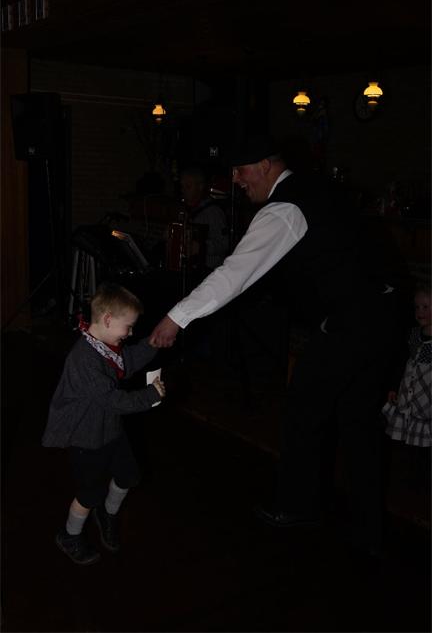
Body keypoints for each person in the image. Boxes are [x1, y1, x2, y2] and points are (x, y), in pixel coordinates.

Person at [149, 133, 402, 559]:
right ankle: (368, 530)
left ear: (266, 165)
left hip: (356, 324)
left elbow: (235, 274)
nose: (235, 179)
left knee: (305, 408)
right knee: (357, 421)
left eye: (240, 169)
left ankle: (299, 506)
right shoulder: (315, 189)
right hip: (379, 317)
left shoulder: (285, 208)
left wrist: (176, 317)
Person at [42, 282, 165, 566]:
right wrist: (150, 395)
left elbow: (127, 361)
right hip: (86, 437)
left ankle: (107, 514)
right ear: (108, 319)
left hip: (110, 429)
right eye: (128, 327)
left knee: (128, 476)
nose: (130, 333)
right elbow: (113, 400)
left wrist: (151, 344)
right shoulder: (84, 360)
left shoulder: (105, 346)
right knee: (89, 494)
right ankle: (70, 535)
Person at [382, 283, 431, 447]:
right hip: (408, 396)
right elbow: (402, 362)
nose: (420, 312)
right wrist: (393, 387)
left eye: (425, 307)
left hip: (426, 400)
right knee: (410, 441)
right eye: (417, 307)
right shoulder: (413, 334)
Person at [180, 165, 229, 272]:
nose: (183, 190)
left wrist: (202, 247)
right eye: (182, 186)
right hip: (189, 270)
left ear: (200, 187)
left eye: (188, 186)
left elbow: (225, 243)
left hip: (210, 271)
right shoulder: (184, 210)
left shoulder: (213, 211)